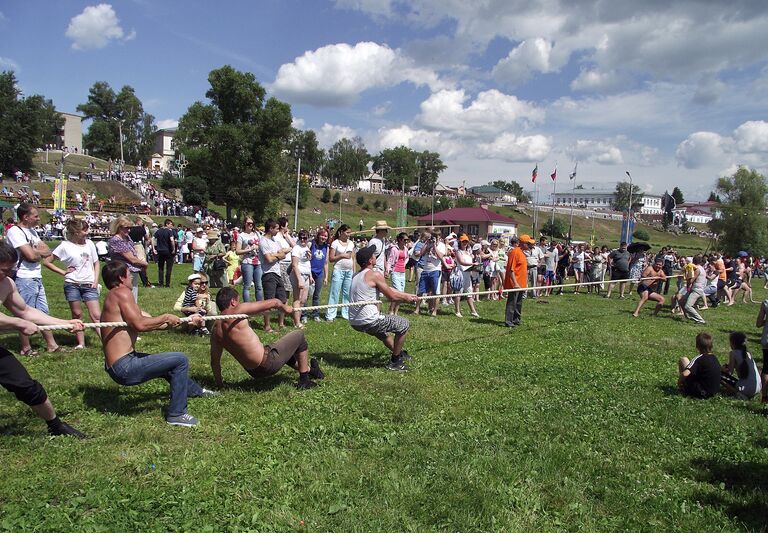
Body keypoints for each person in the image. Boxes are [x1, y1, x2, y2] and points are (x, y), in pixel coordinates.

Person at [99, 261, 216, 427]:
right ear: (120, 277)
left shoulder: (115, 295)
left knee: (169, 365)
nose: (132, 276)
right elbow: (140, 324)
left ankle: (196, 391)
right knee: (180, 360)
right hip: (124, 367)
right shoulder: (121, 293)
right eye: (129, 273)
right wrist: (166, 317)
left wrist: (186, 320)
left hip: (119, 364)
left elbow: (148, 321)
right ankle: (177, 414)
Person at [0, 241, 86, 437]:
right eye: (3, 270)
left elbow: (26, 311)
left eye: (10, 270)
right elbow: (19, 319)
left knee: (26, 386)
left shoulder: (6, 284)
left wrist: (64, 323)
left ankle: (56, 426)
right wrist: (17, 323)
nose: (7, 274)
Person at [211, 287, 324, 390]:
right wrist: (286, 308)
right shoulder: (237, 310)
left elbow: (214, 362)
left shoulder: (215, 330)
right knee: (299, 336)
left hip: (254, 372)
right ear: (233, 301)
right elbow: (274, 302)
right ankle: (304, 381)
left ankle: (312, 371)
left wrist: (220, 385)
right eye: (238, 300)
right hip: (268, 364)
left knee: (282, 350)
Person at [5, 203, 65, 355]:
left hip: (36, 276)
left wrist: (37, 252)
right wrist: (38, 252)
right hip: (23, 277)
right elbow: (32, 256)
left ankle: (52, 344)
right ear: (25, 217)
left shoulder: (32, 232)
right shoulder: (14, 231)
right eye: (36, 216)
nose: (39, 219)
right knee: (25, 313)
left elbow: (46, 251)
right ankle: (26, 348)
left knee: (43, 312)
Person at [349, 245, 419, 371]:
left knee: (383, 334)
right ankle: (395, 362)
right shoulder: (374, 274)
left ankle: (399, 352)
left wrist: (406, 294)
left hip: (354, 321)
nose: (376, 256)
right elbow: (391, 296)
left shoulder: (356, 275)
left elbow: (387, 289)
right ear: (370, 260)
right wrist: (406, 299)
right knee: (404, 324)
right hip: (369, 320)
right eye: (373, 255)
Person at [44, 219, 101, 349]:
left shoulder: (90, 244)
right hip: (72, 284)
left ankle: (105, 341)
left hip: (89, 284)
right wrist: (63, 272)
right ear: (75, 232)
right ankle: (81, 343)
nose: (87, 232)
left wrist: (95, 280)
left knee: (96, 315)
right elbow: (47, 262)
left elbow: (96, 263)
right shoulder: (64, 246)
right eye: (84, 230)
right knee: (77, 314)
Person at [259, 219, 289, 332]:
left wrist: (275, 255)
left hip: (278, 273)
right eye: (276, 228)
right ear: (270, 229)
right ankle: (267, 326)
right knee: (269, 302)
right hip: (268, 274)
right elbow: (268, 259)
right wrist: (277, 256)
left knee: (282, 299)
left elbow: (283, 255)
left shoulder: (275, 241)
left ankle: (281, 324)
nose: (278, 230)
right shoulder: (263, 241)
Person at [108, 216, 147, 303]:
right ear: (119, 227)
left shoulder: (127, 237)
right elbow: (131, 259)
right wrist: (144, 263)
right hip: (122, 272)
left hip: (132, 271)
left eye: (130, 228)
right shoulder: (116, 240)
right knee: (126, 299)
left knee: (133, 298)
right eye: (126, 228)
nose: (129, 230)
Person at [678, 332, 721, 399]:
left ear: (697, 346)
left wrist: (679, 383)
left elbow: (685, 374)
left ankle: (682, 388)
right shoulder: (714, 358)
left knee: (683, 359)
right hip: (713, 392)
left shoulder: (699, 358)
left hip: (700, 393)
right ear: (711, 346)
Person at [326, 224, 355, 321]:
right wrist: (342, 255)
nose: (348, 235)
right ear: (341, 232)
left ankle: (346, 313)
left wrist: (354, 271)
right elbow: (331, 258)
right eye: (347, 232)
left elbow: (352, 258)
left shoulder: (351, 243)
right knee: (335, 292)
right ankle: (330, 315)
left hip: (349, 271)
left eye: (349, 233)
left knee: (347, 293)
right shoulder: (335, 243)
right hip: (338, 270)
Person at [720, 332, 762, 400]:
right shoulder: (748, 353)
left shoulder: (733, 353)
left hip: (746, 389)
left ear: (732, 343)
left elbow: (730, 372)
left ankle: (738, 394)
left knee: (719, 375)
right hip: (758, 388)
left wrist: (722, 369)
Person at [503, 234, 533, 327]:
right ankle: (509, 321)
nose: (530, 245)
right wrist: (515, 283)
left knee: (519, 302)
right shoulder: (515, 252)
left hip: (521, 283)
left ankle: (516, 319)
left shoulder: (522, 252)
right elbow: (511, 269)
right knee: (512, 302)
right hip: (515, 284)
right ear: (523, 243)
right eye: (529, 243)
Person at [236, 217, 263, 302]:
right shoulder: (241, 236)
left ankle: (259, 306)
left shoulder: (257, 234)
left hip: (258, 262)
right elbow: (237, 251)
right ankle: (247, 307)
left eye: (252, 223)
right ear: (244, 224)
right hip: (247, 262)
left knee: (259, 286)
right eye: (248, 223)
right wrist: (249, 249)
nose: (250, 225)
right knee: (247, 286)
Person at [290, 230, 312, 327]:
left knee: (303, 300)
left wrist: (310, 275)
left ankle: (297, 318)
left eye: (305, 238)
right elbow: (294, 265)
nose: (303, 239)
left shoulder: (307, 247)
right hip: (299, 275)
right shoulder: (296, 248)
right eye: (301, 237)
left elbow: (307, 263)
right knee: (297, 299)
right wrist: (299, 279)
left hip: (306, 275)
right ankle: (297, 322)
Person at [308, 229, 329, 321]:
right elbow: (306, 261)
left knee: (317, 294)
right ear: (318, 235)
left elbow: (326, 263)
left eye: (325, 236)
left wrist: (326, 277)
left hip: (320, 273)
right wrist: (309, 275)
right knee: (307, 294)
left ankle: (315, 314)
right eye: (322, 235)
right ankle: (303, 314)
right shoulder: (311, 244)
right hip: (309, 272)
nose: (323, 237)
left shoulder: (326, 247)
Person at [387, 232, 409, 315]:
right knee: (398, 292)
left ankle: (396, 312)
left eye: (407, 240)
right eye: (405, 240)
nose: (406, 241)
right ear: (400, 240)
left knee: (401, 293)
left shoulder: (405, 249)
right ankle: (391, 310)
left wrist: (404, 264)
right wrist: (388, 270)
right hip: (395, 272)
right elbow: (390, 260)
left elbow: (407, 258)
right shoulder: (394, 249)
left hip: (402, 272)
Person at [681, 255, 707, 324]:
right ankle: (688, 316)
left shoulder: (697, 269)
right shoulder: (701, 268)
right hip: (695, 289)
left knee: (688, 306)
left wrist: (686, 276)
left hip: (697, 290)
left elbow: (691, 281)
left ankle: (700, 320)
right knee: (681, 301)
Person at [153, 219, 176, 288]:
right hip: (168, 251)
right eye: (171, 224)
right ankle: (167, 284)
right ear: (167, 224)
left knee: (160, 268)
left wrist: (153, 248)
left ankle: (161, 283)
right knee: (169, 268)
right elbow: (172, 240)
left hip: (160, 251)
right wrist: (174, 248)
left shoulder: (158, 231)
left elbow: (152, 238)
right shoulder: (169, 232)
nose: (171, 226)